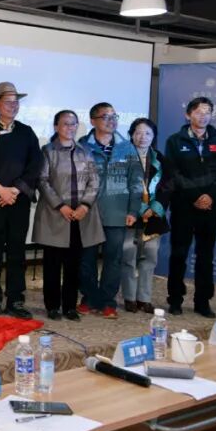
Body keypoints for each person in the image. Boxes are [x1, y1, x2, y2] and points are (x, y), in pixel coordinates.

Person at [0, 82, 42, 319]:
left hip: (18, 201)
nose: (13, 106)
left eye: (16, 102)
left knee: (17, 251)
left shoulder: (26, 132)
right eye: (8, 102)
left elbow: (35, 165)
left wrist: (16, 190)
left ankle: (16, 300)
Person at [164, 97, 216, 318]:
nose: (203, 116)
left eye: (207, 112)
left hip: (210, 207)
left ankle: (202, 301)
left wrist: (210, 196)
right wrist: (195, 195)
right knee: (179, 254)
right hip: (184, 206)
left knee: (205, 255)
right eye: (198, 112)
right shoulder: (175, 141)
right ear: (188, 115)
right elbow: (173, 173)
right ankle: (175, 299)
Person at [32, 111, 103, 322]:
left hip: (80, 217)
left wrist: (85, 206)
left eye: (73, 124)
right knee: (52, 265)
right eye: (65, 124)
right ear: (56, 127)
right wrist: (60, 206)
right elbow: (42, 181)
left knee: (74, 265)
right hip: (55, 215)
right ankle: (53, 306)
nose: (70, 127)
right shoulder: (47, 151)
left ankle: (70, 306)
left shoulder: (86, 151)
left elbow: (94, 181)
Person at [78, 102, 134, 319]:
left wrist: (133, 210)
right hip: (89, 212)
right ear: (93, 121)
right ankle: (89, 298)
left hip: (117, 212)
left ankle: (108, 301)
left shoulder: (126, 147)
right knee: (87, 259)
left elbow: (135, 180)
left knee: (114, 258)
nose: (111, 121)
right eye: (105, 117)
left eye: (114, 117)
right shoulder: (83, 146)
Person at [121, 117, 172, 315]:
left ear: (154, 137)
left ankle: (144, 298)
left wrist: (155, 207)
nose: (143, 137)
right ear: (131, 135)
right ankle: (129, 297)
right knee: (128, 256)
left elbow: (168, 186)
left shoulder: (160, 159)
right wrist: (139, 208)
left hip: (154, 216)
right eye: (138, 133)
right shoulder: (122, 158)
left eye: (148, 133)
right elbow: (119, 186)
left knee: (149, 257)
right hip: (130, 214)